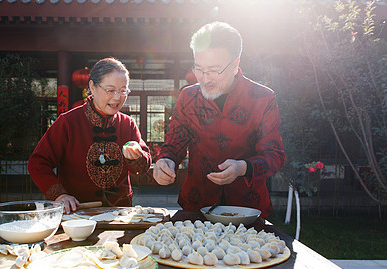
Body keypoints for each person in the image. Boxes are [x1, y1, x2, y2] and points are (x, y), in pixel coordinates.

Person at [153, 22, 285, 218]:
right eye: (199, 69)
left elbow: (274, 155)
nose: (205, 79)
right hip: (197, 206)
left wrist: (243, 168)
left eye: (214, 70)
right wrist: (165, 161)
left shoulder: (262, 98)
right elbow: (175, 142)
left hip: (247, 209)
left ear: (235, 65)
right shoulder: (188, 96)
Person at [28, 57, 151, 214]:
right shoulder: (68, 122)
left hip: (120, 214)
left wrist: (136, 156)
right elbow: (37, 163)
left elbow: (143, 166)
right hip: (78, 215)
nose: (117, 97)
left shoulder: (127, 124)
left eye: (123, 90)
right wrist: (60, 195)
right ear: (92, 87)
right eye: (110, 90)